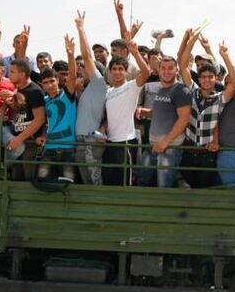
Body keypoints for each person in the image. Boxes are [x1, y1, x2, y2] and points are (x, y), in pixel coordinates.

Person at [178, 32, 235, 188]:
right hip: (188, 150)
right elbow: (183, 66)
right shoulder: (192, 91)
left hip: (207, 154)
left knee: (203, 189)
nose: (206, 80)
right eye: (203, 77)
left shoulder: (220, 98)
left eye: (210, 76)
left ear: (215, 78)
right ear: (199, 79)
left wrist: (225, 56)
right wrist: (191, 42)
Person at [137, 53, 192, 188]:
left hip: (170, 148)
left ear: (176, 70)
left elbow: (184, 119)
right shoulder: (162, 90)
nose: (167, 71)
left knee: (164, 186)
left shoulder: (181, 90)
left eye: (170, 68)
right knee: (142, 180)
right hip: (153, 146)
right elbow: (160, 114)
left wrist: (164, 143)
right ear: (159, 70)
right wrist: (143, 111)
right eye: (164, 68)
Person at [102, 36, 151, 186]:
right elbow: (108, 116)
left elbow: (146, 72)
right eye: (114, 69)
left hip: (127, 142)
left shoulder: (132, 86)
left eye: (120, 69)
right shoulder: (108, 92)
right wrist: (103, 127)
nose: (117, 72)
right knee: (109, 180)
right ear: (110, 71)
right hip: (110, 142)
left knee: (126, 182)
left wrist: (135, 53)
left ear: (126, 71)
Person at [70, 12, 107, 186]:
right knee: (86, 183)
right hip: (81, 140)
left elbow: (87, 56)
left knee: (94, 183)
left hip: (90, 140)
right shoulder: (86, 90)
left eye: (83, 69)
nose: (80, 72)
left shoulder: (98, 83)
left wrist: (81, 28)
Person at [37, 34, 78, 182]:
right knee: (42, 180)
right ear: (42, 85)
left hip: (68, 148)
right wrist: (42, 136)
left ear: (57, 80)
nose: (50, 85)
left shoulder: (67, 95)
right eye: (46, 82)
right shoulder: (45, 100)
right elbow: (44, 122)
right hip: (49, 148)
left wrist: (71, 54)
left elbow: (72, 77)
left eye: (52, 81)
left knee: (68, 183)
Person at [5, 58, 46, 181]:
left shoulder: (34, 91)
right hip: (20, 142)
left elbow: (40, 119)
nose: (9, 74)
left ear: (22, 74)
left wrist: (19, 139)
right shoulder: (19, 90)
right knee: (16, 178)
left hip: (31, 143)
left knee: (29, 180)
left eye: (12, 72)